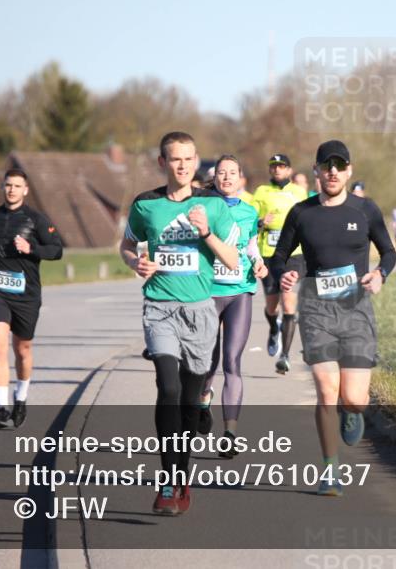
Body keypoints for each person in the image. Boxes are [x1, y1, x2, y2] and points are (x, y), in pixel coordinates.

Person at [119, 131, 239, 516]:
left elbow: (234, 262)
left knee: (190, 400)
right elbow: (126, 245)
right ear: (162, 163)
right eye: (175, 159)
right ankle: (168, 480)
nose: (183, 165)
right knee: (167, 387)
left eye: (188, 159)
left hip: (200, 311)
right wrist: (135, 262)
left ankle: (182, 476)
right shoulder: (146, 205)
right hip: (159, 308)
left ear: (196, 161)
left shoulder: (212, 205)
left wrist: (205, 232)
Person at [273, 140, 396, 496]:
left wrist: (380, 274)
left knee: (354, 398)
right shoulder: (301, 213)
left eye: (339, 166)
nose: (332, 172)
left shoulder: (365, 210)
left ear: (349, 171)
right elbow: (280, 255)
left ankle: (352, 410)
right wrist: (284, 273)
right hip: (317, 308)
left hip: (356, 309)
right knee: (327, 393)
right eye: (326, 166)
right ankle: (330, 470)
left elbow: (388, 251)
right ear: (315, 170)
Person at [0, 169, 63, 431]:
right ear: (3, 188)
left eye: (17, 186)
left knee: (22, 349)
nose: (11, 190)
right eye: (7, 185)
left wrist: (31, 248)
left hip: (27, 293)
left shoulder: (36, 219)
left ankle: (20, 399)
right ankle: (1, 410)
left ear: (25, 190)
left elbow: (56, 250)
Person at [198, 156, 269, 456]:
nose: (226, 177)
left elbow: (251, 244)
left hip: (240, 290)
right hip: (209, 292)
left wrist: (259, 261)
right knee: (207, 363)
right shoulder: (202, 207)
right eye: (221, 173)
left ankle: (230, 433)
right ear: (214, 178)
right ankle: (203, 398)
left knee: (232, 362)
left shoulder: (250, 212)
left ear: (241, 178)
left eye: (232, 173)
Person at [251, 153, 308, 373]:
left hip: (294, 255)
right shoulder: (261, 192)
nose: (277, 169)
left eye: (282, 166)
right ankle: (273, 329)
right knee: (272, 306)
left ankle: (284, 356)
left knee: (289, 302)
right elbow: (250, 222)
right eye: (273, 166)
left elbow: (308, 220)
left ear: (289, 170)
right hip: (269, 254)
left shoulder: (299, 192)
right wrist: (260, 222)